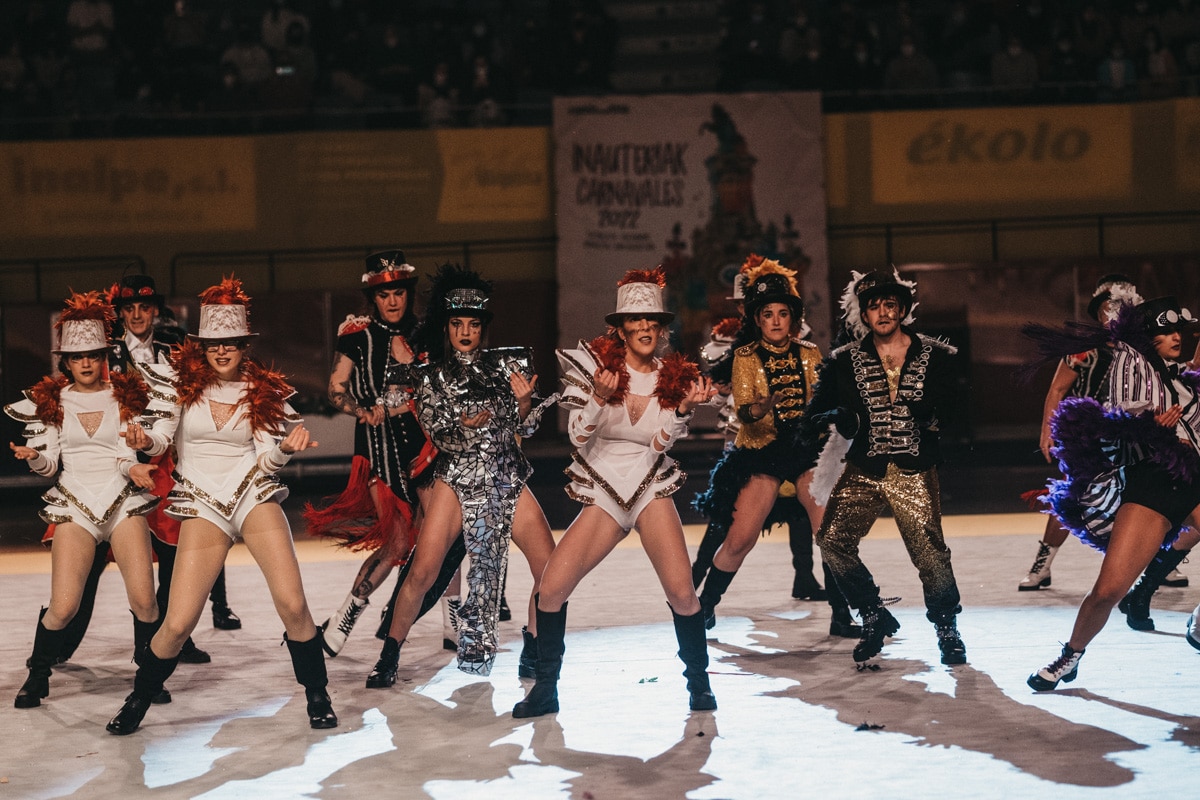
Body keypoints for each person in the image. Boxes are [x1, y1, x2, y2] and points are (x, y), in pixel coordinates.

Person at [106, 276, 335, 734]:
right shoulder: (180, 385)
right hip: (203, 502)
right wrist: (143, 441)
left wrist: (284, 450)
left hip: (252, 494)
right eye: (214, 344)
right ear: (202, 346)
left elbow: (267, 460)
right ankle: (139, 697)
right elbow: (160, 440)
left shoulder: (260, 389)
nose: (222, 351)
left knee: (293, 604)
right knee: (178, 622)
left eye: (231, 343)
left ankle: (317, 693)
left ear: (244, 345)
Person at [512, 268, 718, 719]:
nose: (644, 327)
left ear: (661, 329)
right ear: (620, 328)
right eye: (635, 320)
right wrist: (599, 399)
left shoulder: (672, 377)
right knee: (551, 590)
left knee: (683, 594)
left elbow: (659, 445)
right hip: (605, 491)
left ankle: (699, 685)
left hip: (649, 487)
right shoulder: (596, 371)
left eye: (652, 321)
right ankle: (545, 689)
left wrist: (682, 410)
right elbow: (577, 437)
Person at [365, 263, 557, 685]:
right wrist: (466, 429)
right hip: (456, 480)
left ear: (483, 327)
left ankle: (533, 644)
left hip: (506, 474)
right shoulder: (431, 378)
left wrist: (525, 405)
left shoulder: (508, 368)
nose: (465, 331)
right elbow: (441, 436)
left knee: (550, 567)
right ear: (446, 327)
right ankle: (389, 655)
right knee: (422, 572)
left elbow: (526, 429)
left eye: (473, 324)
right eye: (457, 324)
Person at [1029, 296, 1200, 690]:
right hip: (1152, 486)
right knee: (1107, 592)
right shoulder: (1131, 367)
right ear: (1146, 336)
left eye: (1180, 331)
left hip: (1195, 481)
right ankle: (1070, 655)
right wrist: (1151, 427)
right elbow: (1115, 425)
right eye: (1166, 332)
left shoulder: (1185, 381)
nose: (1177, 337)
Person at [7, 291, 160, 709]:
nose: (86, 363)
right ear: (66, 362)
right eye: (77, 357)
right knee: (63, 606)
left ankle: (148, 675)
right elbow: (50, 466)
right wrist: (35, 457)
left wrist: (134, 469)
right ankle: (38, 675)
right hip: (75, 504)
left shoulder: (124, 396)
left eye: (93, 355)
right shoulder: (53, 401)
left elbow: (125, 455)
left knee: (145, 601)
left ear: (104, 356)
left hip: (123, 501)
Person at [808, 269, 967, 667]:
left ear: (903, 309)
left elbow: (956, 410)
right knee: (831, 539)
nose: (882, 312)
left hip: (915, 467)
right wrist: (841, 419)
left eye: (889, 304)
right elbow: (828, 414)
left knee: (930, 554)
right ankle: (872, 613)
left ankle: (947, 627)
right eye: (873, 306)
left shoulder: (936, 355)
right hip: (865, 465)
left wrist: (931, 415)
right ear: (863, 314)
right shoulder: (844, 361)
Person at [692, 258, 855, 637]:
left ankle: (841, 616)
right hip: (762, 452)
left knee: (829, 534)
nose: (777, 321)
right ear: (757, 319)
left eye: (783, 313)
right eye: (768, 314)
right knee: (740, 538)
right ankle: (705, 606)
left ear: (792, 317)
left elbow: (821, 401)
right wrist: (760, 408)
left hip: (805, 452)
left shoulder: (810, 352)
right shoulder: (745, 357)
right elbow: (745, 413)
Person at [304, 250, 436, 657]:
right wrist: (362, 410)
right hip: (380, 446)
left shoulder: (425, 334)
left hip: (426, 445)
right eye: (384, 295)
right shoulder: (357, 335)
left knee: (438, 536)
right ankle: (345, 617)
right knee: (397, 542)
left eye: (399, 292)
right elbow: (335, 389)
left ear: (408, 294)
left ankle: (452, 621)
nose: (393, 301)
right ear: (373, 298)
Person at [1019, 274, 1144, 591]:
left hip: (1131, 435)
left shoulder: (1141, 347)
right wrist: (1047, 430)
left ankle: (1162, 562)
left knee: (1146, 495)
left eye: (1119, 306)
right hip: (1088, 436)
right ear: (1098, 313)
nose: (1112, 313)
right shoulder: (1083, 347)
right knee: (1072, 495)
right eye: (1106, 308)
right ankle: (1042, 564)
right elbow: (1057, 389)